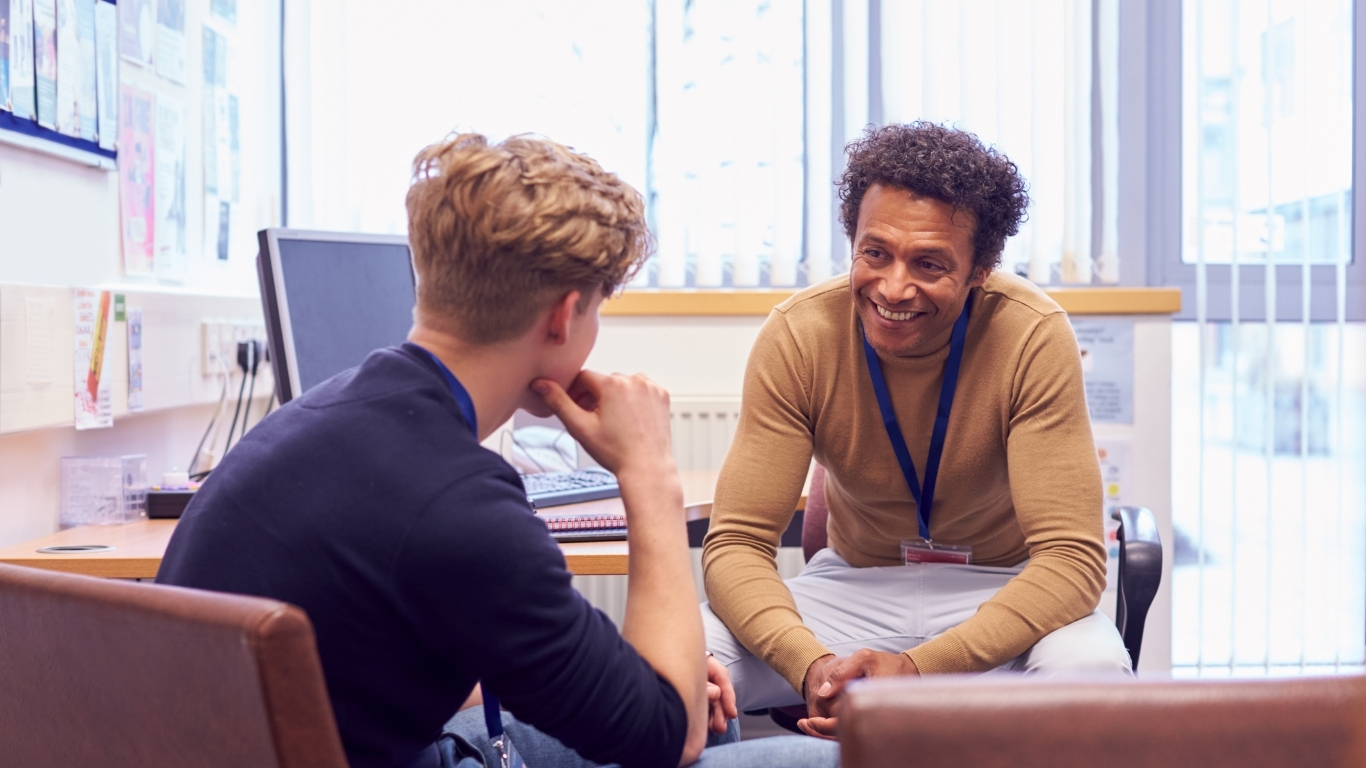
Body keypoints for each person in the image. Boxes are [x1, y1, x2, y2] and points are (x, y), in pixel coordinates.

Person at [157, 133, 837, 768]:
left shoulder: (316, 417)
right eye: (599, 308)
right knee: (830, 756)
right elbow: (671, 732)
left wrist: (634, 675)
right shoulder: (459, 505)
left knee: (704, 704)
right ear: (564, 316)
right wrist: (650, 472)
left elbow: (395, 654)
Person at [701, 122, 1133, 739]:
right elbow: (737, 544)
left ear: (981, 268)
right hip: (852, 590)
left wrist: (918, 670)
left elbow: (1071, 561)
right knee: (679, 665)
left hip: (1001, 591)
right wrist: (812, 666)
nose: (894, 287)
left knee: (1093, 676)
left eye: (929, 263)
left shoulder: (1032, 335)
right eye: (875, 253)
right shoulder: (800, 334)